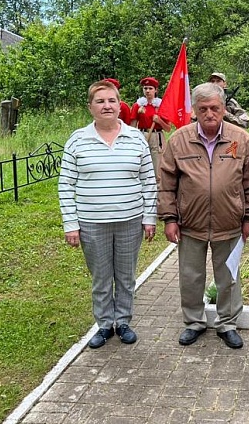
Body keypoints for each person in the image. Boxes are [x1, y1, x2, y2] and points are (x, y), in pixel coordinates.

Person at [158, 82, 249, 350]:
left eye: (215, 108)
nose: (209, 113)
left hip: (229, 224)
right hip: (190, 225)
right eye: (203, 108)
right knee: (190, 276)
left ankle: (227, 323)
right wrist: (170, 218)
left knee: (228, 276)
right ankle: (193, 322)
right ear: (194, 110)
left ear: (223, 108)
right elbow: (166, 183)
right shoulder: (179, 140)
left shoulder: (241, 140)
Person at [58, 80, 158, 349]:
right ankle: (104, 324)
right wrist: (71, 224)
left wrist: (150, 217)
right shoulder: (77, 140)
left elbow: (149, 181)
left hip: (130, 220)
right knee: (101, 277)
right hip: (92, 223)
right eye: (100, 101)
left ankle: (123, 321)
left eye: (112, 100)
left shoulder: (135, 138)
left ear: (120, 105)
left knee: (125, 276)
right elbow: (65, 185)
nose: (107, 106)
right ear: (90, 107)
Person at [131, 77, 170, 178]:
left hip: (156, 136)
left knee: (157, 164)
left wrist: (159, 121)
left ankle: (157, 187)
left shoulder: (161, 106)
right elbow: (133, 126)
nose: (147, 91)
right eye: (145, 88)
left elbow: (168, 128)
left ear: (156, 90)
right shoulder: (138, 105)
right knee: (141, 162)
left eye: (150, 88)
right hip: (142, 134)